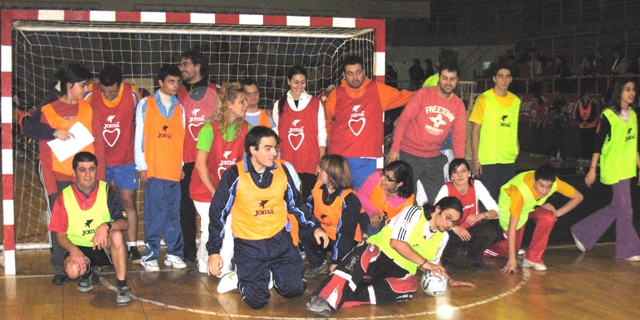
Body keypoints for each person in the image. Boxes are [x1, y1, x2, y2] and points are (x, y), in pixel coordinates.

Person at [206, 126, 329, 309]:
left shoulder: (282, 170)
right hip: (249, 244)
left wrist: (315, 227)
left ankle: (270, 273)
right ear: (253, 150)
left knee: (294, 290)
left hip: (279, 241)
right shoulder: (235, 174)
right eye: (268, 148)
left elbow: (297, 203)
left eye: (275, 148)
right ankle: (242, 274)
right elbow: (218, 213)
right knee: (257, 301)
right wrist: (214, 251)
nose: (274, 153)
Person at [306, 197, 473, 317]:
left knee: (408, 287)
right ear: (437, 209)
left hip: (399, 269)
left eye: (454, 222)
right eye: (448, 218)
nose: (449, 225)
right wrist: (425, 263)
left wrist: (449, 280)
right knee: (367, 252)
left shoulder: (443, 237)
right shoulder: (414, 212)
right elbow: (397, 243)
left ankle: (342, 296)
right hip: (378, 255)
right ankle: (324, 297)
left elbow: (432, 265)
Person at [36, 62, 107, 285]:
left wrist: (101, 181)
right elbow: (44, 153)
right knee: (59, 226)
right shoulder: (47, 111)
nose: (86, 90)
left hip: (87, 180)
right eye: (82, 85)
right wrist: (50, 185)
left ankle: (93, 263)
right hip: (58, 178)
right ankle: (59, 266)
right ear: (69, 85)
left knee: (91, 222)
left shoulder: (89, 110)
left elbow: (99, 148)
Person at [48, 151, 131, 305]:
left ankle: (122, 285)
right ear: (74, 173)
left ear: (96, 170)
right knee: (72, 272)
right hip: (80, 248)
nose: (88, 174)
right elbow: (60, 236)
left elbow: (124, 223)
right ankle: (87, 273)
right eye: (82, 170)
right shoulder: (64, 197)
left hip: (103, 245)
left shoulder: (107, 191)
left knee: (117, 235)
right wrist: (74, 251)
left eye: (91, 169)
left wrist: (106, 226)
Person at [571, 79, 640, 261]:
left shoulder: (633, 114)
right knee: (626, 209)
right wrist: (592, 169)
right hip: (613, 167)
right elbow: (598, 144)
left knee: (618, 207)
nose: (631, 93)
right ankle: (628, 250)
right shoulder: (608, 115)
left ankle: (582, 232)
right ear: (619, 92)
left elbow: (634, 145)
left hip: (627, 169)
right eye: (627, 89)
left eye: (633, 89)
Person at [324, 55, 413, 190]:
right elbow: (326, 120)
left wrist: (431, 92)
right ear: (343, 75)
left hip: (367, 158)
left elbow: (405, 96)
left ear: (364, 72)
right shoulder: (336, 95)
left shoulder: (378, 90)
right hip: (340, 158)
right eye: (350, 74)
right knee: (340, 200)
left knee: (364, 199)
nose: (355, 78)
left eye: (358, 72)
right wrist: (329, 143)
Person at [190, 82, 249, 274]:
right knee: (211, 227)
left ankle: (222, 266)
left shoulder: (245, 128)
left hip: (228, 191)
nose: (246, 104)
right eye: (242, 101)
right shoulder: (209, 129)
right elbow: (200, 165)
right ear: (229, 105)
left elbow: (245, 162)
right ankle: (206, 262)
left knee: (230, 226)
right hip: (205, 189)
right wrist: (216, 194)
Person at [85, 65, 142, 263]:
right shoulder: (90, 93)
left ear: (121, 85)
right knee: (101, 205)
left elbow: (142, 122)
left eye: (112, 91)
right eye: (104, 91)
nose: (108, 95)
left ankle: (132, 247)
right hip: (99, 162)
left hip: (125, 161)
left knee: (128, 203)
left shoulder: (132, 94)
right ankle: (102, 246)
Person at [388, 61, 466, 205]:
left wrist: (460, 165)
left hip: (433, 158)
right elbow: (403, 120)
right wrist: (395, 148)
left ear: (457, 81)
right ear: (439, 78)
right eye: (444, 78)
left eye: (452, 79)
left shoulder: (458, 105)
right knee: (407, 201)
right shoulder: (423, 94)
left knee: (440, 203)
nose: (448, 82)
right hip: (409, 154)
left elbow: (459, 138)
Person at [134, 64, 187, 271]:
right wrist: (141, 164)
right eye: (171, 82)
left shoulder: (179, 108)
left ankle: (173, 253)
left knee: (174, 213)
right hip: (153, 168)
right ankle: (150, 255)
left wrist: (181, 164)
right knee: (155, 213)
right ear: (160, 83)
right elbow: (140, 136)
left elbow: (180, 139)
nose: (175, 86)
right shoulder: (146, 104)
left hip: (173, 168)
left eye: (177, 82)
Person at [485, 164, 583, 273]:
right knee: (511, 248)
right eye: (541, 186)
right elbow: (512, 227)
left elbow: (578, 197)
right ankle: (484, 250)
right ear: (534, 180)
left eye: (549, 187)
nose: (545, 191)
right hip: (511, 207)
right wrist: (511, 259)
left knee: (549, 217)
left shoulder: (555, 183)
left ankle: (532, 258)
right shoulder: (520, 191)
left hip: (530, 206)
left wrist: (558, 213)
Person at [177, 49, 217, 264]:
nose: (181, 68)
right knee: (185, 207)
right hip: (185, 159)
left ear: (198, 66)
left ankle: (213, 248)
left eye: (185, 64)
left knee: (211, 204)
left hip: (208, 160)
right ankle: (189, 251)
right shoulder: (178, 91)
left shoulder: (214, 92)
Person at [301, 154, 362, 278]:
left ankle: (340, 259)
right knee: (304, 229)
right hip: (324, 234)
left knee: (342, 268)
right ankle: (318, 263)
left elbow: (346, 232)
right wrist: (314, 226)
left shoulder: (349, 199)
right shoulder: (318, 186)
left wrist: (336, 260)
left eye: (321, 169)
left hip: (345, 239)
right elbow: (308, 208)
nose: (318, 170)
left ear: (331, 174)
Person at [434, 158, 498, 272]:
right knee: (442, 232)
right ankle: (448, 257)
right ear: (451, 176)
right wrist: (453, 227)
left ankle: (473, 258)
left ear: (469, 173)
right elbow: (435, 214)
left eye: (463, 171)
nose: (460, 175)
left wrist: (481, 216)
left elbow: (496, 211)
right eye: (455, 172)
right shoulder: (446, 188)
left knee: (489, 232)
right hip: (452, 231)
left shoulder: (476, 185)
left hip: (471, 231)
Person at [273, 65, 327, 198]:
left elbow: (321, 135)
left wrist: (321, 162)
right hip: (287, 162)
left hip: (310, 162)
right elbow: (277, 137)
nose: (299, 86)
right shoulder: (279, 105)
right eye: (295, 82)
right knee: (288, 201)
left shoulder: (315, 103)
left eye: (303, 82)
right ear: (288, 81)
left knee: (309, 202)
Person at [469, 65, 521, 203]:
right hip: (487, 160)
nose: (504, 80)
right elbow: (475, 131)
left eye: (507, 76)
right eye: (500, 76)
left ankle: (502, 225)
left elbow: (513, 127)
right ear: (494, 79)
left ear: (511, 80)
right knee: (486, 201)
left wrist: (516, 147)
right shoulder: (484, 99)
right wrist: (475, 158)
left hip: (508, 159)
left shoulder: (516, 101)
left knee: (505, 201)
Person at [357, 160, 415, 236]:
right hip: (367, 211)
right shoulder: (376, 177)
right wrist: (373, 212)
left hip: (390, 224)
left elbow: (403, 222)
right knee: (372, 228)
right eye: (383, 174)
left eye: (388, 178)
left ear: (399, 184)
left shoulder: (407, 200)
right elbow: (360, 195)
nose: (382, 179)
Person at [574, 91, 599, 163]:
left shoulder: (592, 104)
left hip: (591, 126)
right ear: (583, 96)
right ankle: (583, 157)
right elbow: (577, 114)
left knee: (590, 142)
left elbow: (593, 114)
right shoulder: (579, 104)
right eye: (587, 95)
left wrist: (587, 121)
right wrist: (582, 121)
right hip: (582, 127)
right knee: (583, 143)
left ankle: (589, 157)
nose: (589, 96)